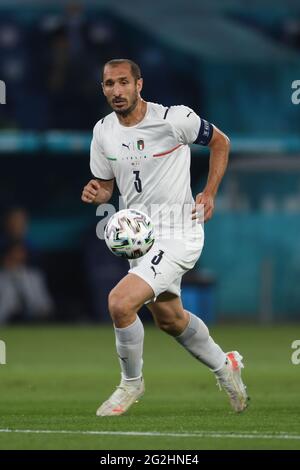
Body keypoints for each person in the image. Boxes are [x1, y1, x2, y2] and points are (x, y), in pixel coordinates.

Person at [81, 59, 249, 416]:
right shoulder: (103, 132)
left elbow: (221, 142)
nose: (116, 91)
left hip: (180, 231)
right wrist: (97, 192)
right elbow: (107, 187)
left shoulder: (175, 119)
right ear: (104, 89)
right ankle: (226, 366)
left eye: (123, 82)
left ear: (139, 84)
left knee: (120, 303)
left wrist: (210, 192)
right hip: (140, 239)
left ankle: (131, 383)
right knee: (171, 320)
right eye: (109, 84)